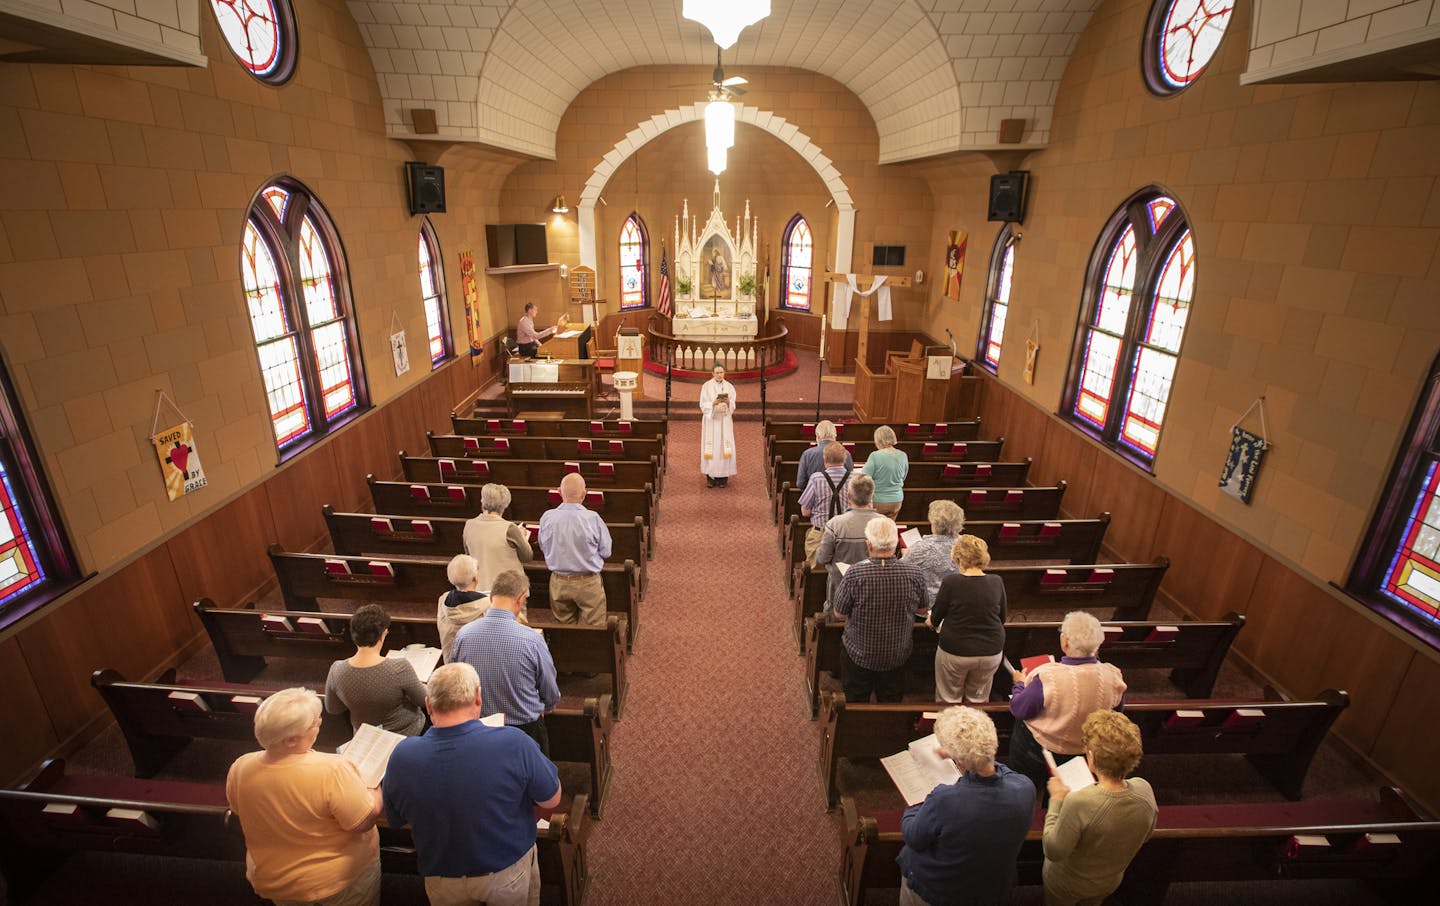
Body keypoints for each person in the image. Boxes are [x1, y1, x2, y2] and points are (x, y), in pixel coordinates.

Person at [382, 663, 561, 906]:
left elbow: (395, 818)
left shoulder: (402, 755)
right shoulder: (513, 743)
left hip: (442, 873)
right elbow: (552, 799)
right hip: (504, 869)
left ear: (428, 705)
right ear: (478, 697)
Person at [227, 688, 383, 906]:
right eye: (314, 724)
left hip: (278, 881)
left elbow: (238, 808)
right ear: (291, 740)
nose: (319, 725)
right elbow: (362, 822)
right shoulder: (331, 769)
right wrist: (375, 793)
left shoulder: (241, 766)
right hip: (337, 882)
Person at [896, 706, 1035, 906]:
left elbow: (913, 837)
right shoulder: (1024, 788)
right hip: (992, 887)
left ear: (958, 758)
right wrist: (968, 759)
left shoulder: (945, 799)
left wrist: (914, 800)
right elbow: (999, 771)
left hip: (940, 890)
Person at [1043, 710, 1158, 906]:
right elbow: (1146, 835)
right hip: (1109, 881)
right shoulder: (1144, 789)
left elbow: (1053, 850)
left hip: (1067, 883)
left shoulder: (1078, 802)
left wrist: (1056, 800)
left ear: (1092, 758)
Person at [1009, 610, 1127, 795]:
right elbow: (1115, 715)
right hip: (1081, 752)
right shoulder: (1113, 676)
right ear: (1098, 645)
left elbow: (1020, 708)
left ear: (1064, 642)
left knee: (1023, 786)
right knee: (1063, 797)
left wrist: (1019, 684)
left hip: (1038, 749)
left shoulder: (1048, 676)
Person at [450, 569, 560, 755]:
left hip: (478, 728)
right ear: (521, 599)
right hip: (525, 729)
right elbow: (549, 689)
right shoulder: (532, 640)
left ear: (491, 596)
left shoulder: (463, 635)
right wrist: (547, 706)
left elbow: (456, 679)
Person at [832, 517, 927, 703]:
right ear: (897, 543)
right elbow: (923, 609)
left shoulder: (855, 574)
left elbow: (839, 614)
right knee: (891, 700)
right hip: (897, 652)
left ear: (869, 544)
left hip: (860, 652)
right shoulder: (914, 573)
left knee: (856, 699)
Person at [324, 604, 427, 736]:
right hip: (405, 735)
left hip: (364, 737)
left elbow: (333, 708)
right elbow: (423, 700)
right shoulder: (400, 667)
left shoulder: (336, 669)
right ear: (383, 634)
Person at [928, 535, 1007, 703]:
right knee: (978, 699)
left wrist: (930, 621)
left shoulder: (951, 582)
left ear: (957, 557)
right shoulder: (996, 581)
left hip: (956, 650)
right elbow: (1002, 617)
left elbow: (936, 618)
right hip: (991, 650)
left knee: (948, 697)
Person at [538, 472, 612, 626]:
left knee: (565, 631)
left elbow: (543, 547)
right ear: (584, 494)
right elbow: (606, 552)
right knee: (592, 631)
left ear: (559, 492)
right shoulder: (593, 518)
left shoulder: (547, 517)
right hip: (587, 582)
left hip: (558, 582)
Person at [814, 474, 885, 610]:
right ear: (872, 496)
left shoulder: (835, 524)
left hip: (840, 587)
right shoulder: (884, 523)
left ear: (848, 496)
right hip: (874, 588)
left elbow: (822, 558)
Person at [463, 483, 534, 590]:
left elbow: (468, 555)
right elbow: (527, 556)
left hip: (480, 587)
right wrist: (523, 537)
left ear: (482, 501)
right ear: (505, 505)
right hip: (508, 590)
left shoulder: (469, 524)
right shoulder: (510, 528)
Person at [901, 499, 965, 606]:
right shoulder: (967, 544)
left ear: (934, 523)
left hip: (927, 607)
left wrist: (906, 554)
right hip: (957, 604)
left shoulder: (921, 548)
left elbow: (900, 569)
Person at [798, 441, 851, 567]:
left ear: (825, 460)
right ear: (844, 459)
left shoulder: (816, 478)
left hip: (821, 533)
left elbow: (805, 511)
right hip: (845, 534)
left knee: (816, 569)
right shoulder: (854, 478)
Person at [437, 554, 490, 663]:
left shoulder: (443, 600)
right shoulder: (488, 605)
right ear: (475, 578)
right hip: (478, 667)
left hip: (451, 664)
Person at [699, 362, 738, 487]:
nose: (720, 375)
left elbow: (733, 404)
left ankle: (723, 478)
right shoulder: (706, 386)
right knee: (712, 448)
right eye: (717, 372)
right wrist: (713, 403)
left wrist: (728, 402)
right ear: (712, 373)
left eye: (721, 372)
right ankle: (710, 477)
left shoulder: (730, 387)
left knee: (723, 448)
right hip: (712, 420)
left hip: (724, 421)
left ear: (724, 373)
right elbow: (702, 404)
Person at [863, 424, 909, 518]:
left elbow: (864, 477)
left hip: (878, 500)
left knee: (875, 530)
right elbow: (903, 476)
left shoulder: (875, 456)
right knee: (889, 529)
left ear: (878, 440)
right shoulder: (903, 455)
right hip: (897, 500)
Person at [795, 420, 854, 490]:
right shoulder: (846, 453)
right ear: (835, 436)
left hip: (815, 497)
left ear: (818, 437)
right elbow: (851, 481)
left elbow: (800, 484)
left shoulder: (807, 454)